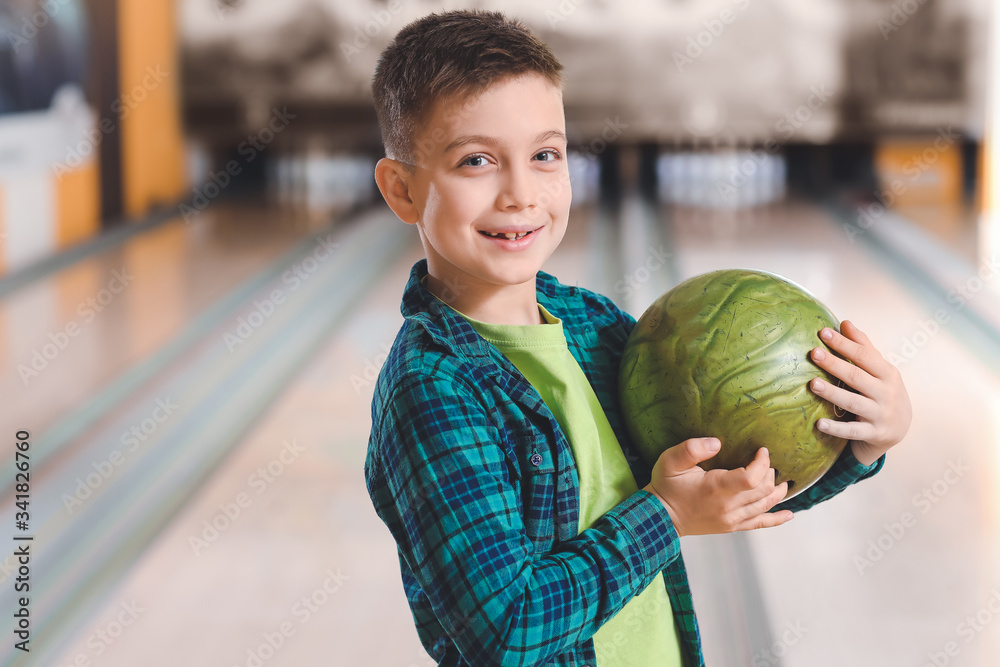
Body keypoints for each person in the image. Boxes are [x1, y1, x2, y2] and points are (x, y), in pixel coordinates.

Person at [363, 9, 911, 666]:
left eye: (544, 155)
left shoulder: (593, 327)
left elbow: (718, 487)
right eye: (476, 160)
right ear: (402, 189)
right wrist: (664, 517)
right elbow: (508, 630)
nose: (519, 193)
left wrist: (860, 443)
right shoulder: (432, 391)